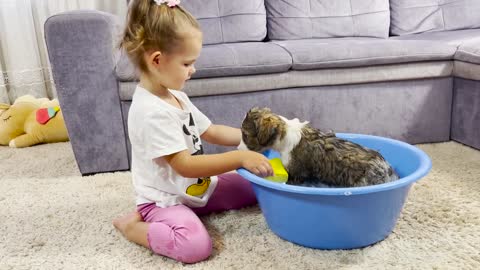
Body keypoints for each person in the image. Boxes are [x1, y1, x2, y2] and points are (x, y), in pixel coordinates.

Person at [112, 0, 273, 264]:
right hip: (166, 199)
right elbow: (184, 165)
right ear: (157, 60)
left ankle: (191, 210)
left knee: (258, 185)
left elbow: (211, 131)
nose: (193, 70)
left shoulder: (175, 96)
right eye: (187, 63)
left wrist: (253, 141)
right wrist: (240, 158)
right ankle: (132, 226)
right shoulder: (151, 112)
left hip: (197, 189)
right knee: (195, 246)